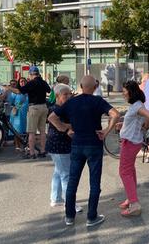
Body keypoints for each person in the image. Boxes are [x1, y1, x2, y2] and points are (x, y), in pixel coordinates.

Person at [48, 75, 120, 227]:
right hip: (94, 144)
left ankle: (69, 216)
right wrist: (106, 131)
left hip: (76, 145)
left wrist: (64, 129)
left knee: (73, 181)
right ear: (95, 87)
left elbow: (52, 117)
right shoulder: (98, 101)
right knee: (94, 182)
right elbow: (115, 114)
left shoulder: (71, 102)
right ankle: (91, 217)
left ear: (80, 85)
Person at [117, 81, 149, 217]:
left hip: (130, 142)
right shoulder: (136, 105)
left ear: (130, 92)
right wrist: (124, 125)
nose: (123, 93)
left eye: (124, 91)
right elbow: (138, 119)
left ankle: (134, 203)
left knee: (124, 172)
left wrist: (145, 126)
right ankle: (131, 197)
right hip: (132, 141)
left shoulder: (137, 105)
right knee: (130, 171)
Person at [46, 83, 82, 213]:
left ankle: (56, 198)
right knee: (66, 175)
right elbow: (58, 125)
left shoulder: (62, 108)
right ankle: (70, 203)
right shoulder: (55, 109)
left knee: (58, 172)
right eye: (64, 94)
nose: (68, 96)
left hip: (58, 144)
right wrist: (68, 127)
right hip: (59, 144)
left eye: (69, 94)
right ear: (57, 96)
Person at [9, 66, 51, 159]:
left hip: (34, 107)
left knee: (31, 132)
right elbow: (49, 90)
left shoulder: (31, 83)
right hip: (44, 107)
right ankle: (43, 151)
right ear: (38, 73)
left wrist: (9, 88)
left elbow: (19, 91)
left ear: (31, 74)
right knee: (43, 131)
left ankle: (32, 152)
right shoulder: (43, 82)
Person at [8, 77, 29, 152]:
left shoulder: (29, 91)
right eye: (21, 81)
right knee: (17, 130)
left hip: (27, 113)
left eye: (24, 81)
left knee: (27, 130)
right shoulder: (15, 92)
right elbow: (10, 101)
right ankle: (17, 146)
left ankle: (26, 145)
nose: (23, 83)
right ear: (19, 83)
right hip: (18, 113)